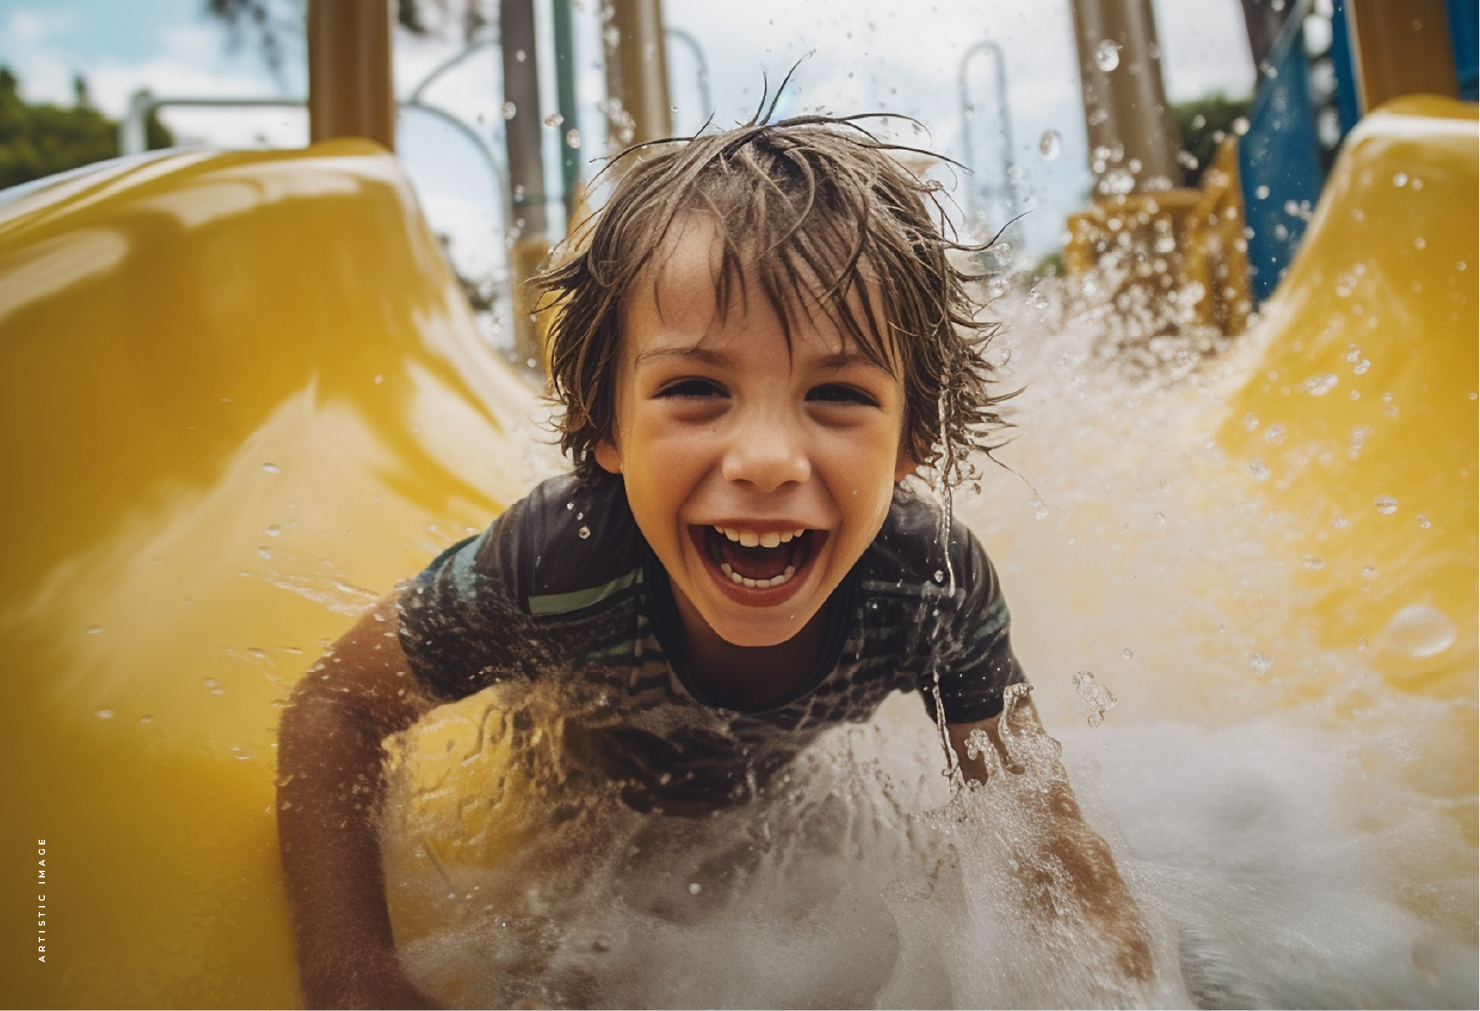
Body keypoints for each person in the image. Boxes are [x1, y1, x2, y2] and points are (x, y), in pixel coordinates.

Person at [276, 109, 1153, 1009]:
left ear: (909, 443)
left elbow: (1047, 842)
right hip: (585, 805)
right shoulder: (558, 563)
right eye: (697, 389)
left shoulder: (927, 587)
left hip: (770, 805)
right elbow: (334, 704)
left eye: (838, 394)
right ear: (606, 422)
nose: (767, 459)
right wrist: (354, 972)